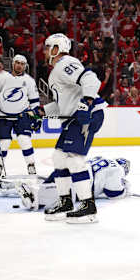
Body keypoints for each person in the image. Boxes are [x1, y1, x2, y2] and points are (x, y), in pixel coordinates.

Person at [36, 33, 107, 224]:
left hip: (87, 115)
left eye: (47, 47)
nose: (44, 51)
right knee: (59, 157)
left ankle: (87, 207)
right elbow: (62, 105)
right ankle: (66, 201)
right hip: (75, 118)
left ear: (56, 49)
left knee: (74, 160)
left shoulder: (65, 63)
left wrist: (86, 102)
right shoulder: (56, 71)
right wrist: (41, 112)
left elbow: (91, 79)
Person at [0, 156, 131, 212]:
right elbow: (113, 193)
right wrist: (126, 189)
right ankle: (29, 194)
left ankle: (9, 186)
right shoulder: (117, 169)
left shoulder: (102, 159)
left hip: (69, 169)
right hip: (78, 185)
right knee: (40, 200)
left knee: (49, 183)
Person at [0, 54, 41, 177]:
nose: (19, 66)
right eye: (17, 63)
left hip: (22, 115)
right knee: (4, 142)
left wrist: (36, 117)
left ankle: (31, 165)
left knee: (24, 140)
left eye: (22, 64)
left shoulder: (29, 81)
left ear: (25, 66)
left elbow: (34, 102)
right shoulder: (1, 78)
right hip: (3, 115)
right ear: (13, 63)